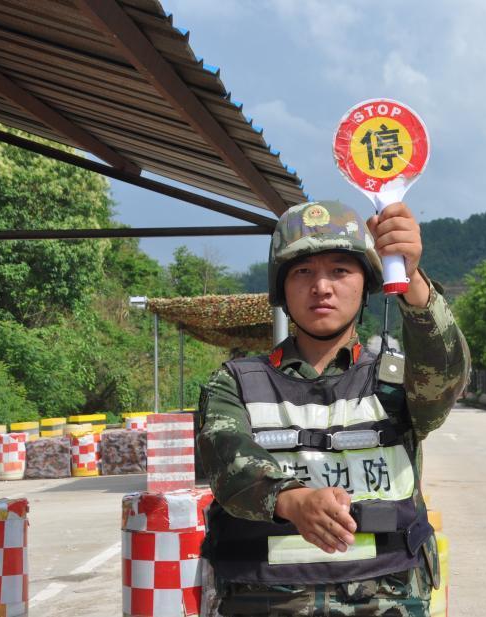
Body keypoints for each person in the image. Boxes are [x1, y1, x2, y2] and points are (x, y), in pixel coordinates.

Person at [198, 199, 470, 616]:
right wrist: (291, 500)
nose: (321, 287)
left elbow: (446, 374)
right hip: (263, 599)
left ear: (366, 283)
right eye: (303, 272)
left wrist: (411, 278)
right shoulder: (234, 382)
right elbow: (227, 458)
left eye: (340, 271)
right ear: (282, 288)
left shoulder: (397, 380)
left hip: (387, 599)